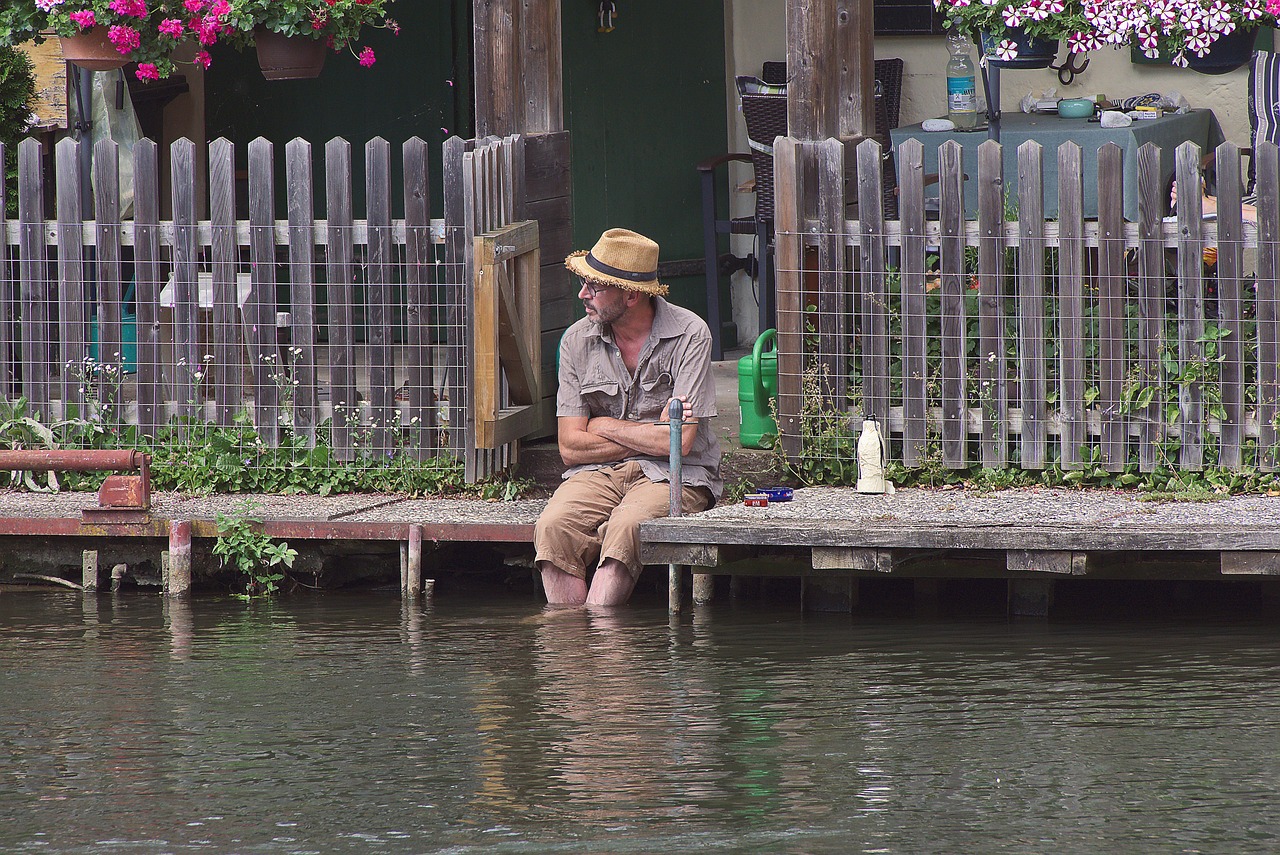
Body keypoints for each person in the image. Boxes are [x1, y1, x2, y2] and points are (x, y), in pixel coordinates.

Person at [533, 228, 722, 606]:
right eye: (584, 283)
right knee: (552, 528)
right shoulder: (575, 340)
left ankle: (605, 651)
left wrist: (604, 426)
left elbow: (679, 443)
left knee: (627, 526)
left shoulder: (690, 335)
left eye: (595, 286)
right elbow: (570, 447)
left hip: (673, 475)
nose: (582, 294)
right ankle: (570, 650)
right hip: (596, 473)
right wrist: (646, 434)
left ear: (631, 295)